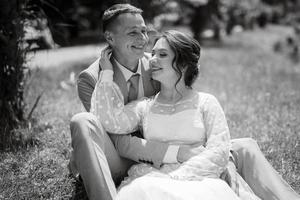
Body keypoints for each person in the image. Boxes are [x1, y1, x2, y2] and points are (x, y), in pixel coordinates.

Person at [69, 3, 300, 200]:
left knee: (242, 147)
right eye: (133, 33)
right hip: (124, 157)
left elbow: (184, 98)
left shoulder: (155, 64)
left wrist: (193, 158)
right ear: (110, 38)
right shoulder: (92, 79)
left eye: (144, 31)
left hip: (173, 153)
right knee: (83, 121)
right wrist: (176, 155)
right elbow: (116, 136)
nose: (143, 41)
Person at [92, 29, 261, 200]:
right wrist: (107, 73)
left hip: (200, 180)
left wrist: (176, 178)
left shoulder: (206, 102)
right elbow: (110, 122)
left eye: (162, 54)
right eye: (153, 54)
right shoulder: (145, 106)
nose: (152, 59)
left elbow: (219, 151)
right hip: (152, 179)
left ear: (183, 63)